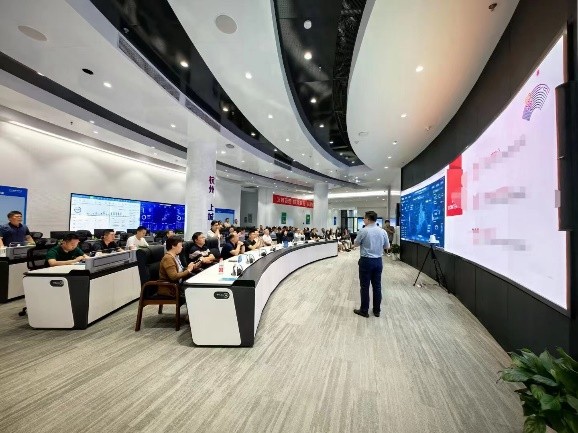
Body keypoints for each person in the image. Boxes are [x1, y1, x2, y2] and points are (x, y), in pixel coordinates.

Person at [353, 211, 390, 318]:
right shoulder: (382, 231)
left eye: (364, 218)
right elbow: (387, 247)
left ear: (368, 219)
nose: (363, 220)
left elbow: (355, 244)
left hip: (366, 261)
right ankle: (377, 310)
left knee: (365, 287)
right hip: (378, 261)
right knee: (377, 286)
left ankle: (364, 310)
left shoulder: (363, 231)